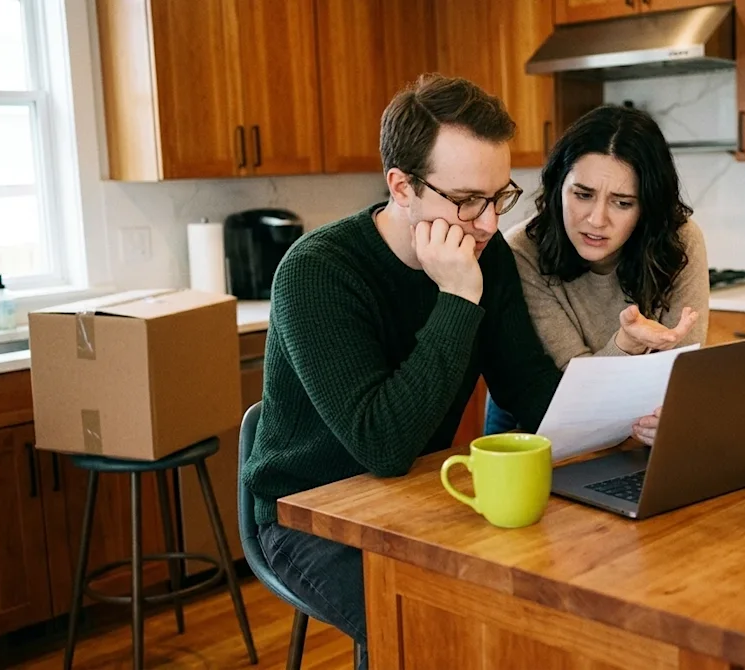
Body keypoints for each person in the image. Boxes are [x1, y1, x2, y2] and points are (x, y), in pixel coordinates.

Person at [241, 76, 664, 668]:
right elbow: (383, 444)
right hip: (307, 518)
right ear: (402, 186)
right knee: (440, 622)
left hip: (418, 500)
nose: (489, 223)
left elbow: (534, 395)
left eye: (500, 197)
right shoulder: (317, 272)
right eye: (467, 200)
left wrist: (633, 395)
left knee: (545, 610)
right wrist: (459, 298)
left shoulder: (485, 253)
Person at [485, 104, 710, 439]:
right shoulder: (522, 251)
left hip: (627, 427)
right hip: (536, 424)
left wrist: (670, 417)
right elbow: (576, 386)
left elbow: (680, 378)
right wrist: (626, 344)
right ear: (558, 186)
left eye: (622, 202)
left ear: (647, 207)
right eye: (583, 194)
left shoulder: (681, 241)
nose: (596, 220)